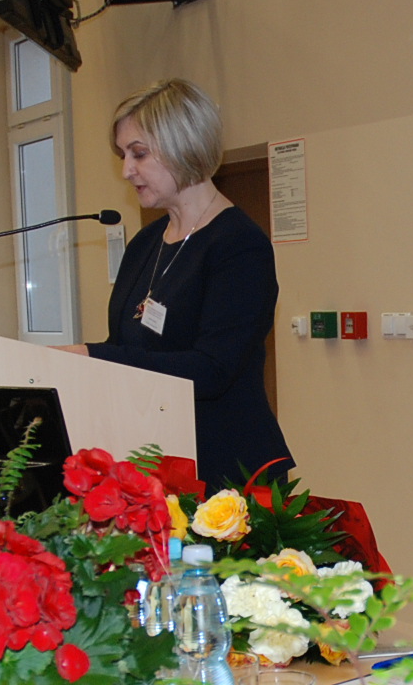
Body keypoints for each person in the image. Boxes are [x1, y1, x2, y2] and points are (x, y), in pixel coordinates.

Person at [64, 78, 292, 489]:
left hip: (227, 468)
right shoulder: (146, 243)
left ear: (183, 146)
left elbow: (211, 370)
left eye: (139, 153)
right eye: (123, 155)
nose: (126, 170)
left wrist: (91, 356)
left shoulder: (239, 245)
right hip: (153, 458)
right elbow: (125, 345)